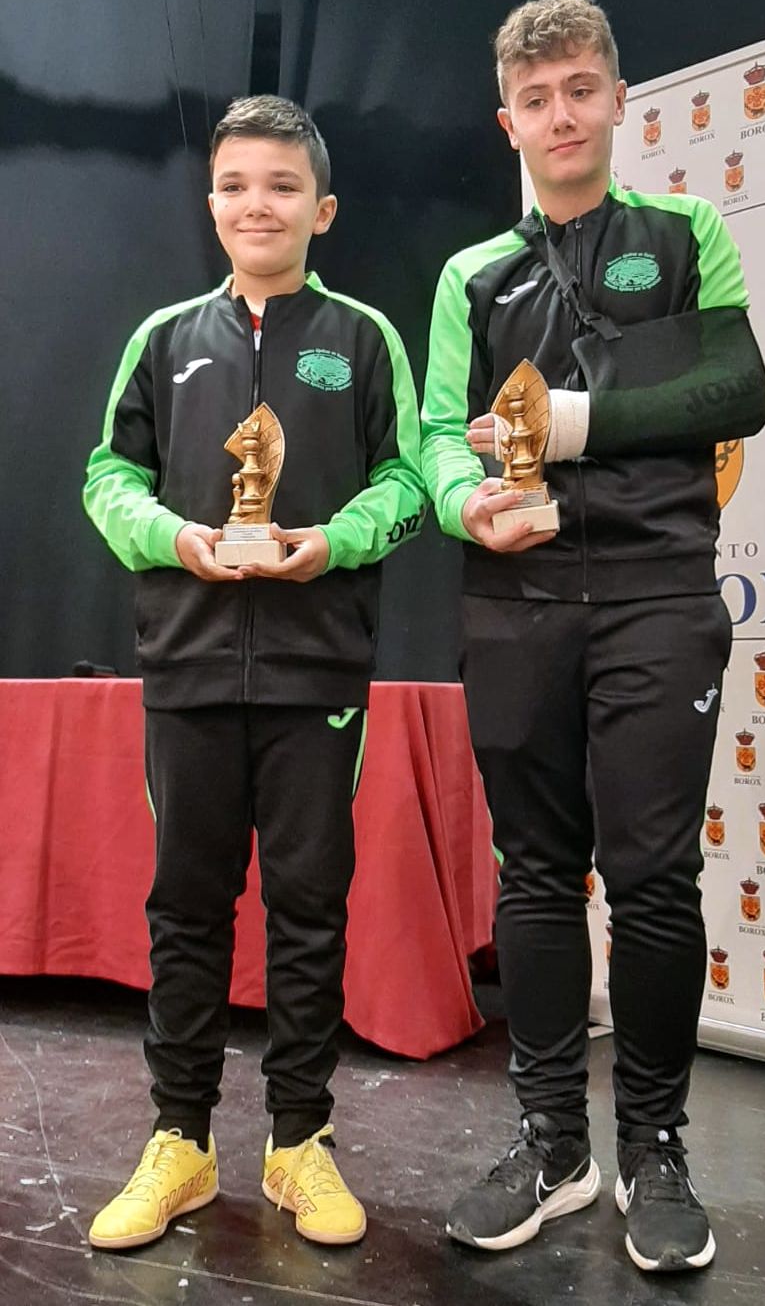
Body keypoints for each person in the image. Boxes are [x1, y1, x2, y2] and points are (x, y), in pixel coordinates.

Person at [420, 0, 765, 1273]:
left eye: (580, 89)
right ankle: (552, 1144)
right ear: (506, 122)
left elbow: (738, 389)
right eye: (536, 98)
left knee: (654, 877)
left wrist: (571, 423)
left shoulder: (685, 233)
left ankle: (656, 1149)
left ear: (619, 99)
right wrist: (460, 499)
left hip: (655, 591)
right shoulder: (471, 276)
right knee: (533, 873)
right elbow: (432, 437)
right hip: (512, 602)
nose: (560, 114)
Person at [83, 95, 425, 1252]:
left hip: (315, 669)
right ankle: (180, 1140)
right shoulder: (163, 339)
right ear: (211, 202)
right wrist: (177, 538)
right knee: (186, 906)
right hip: (186, 664)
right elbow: (106, 478)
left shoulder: (363, 338)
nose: (256, 204)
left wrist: (331, 541)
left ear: (321, 209)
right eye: (235, 185)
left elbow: (408, 481)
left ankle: (298, 1142)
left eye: (282, 185)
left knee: (308, 906)